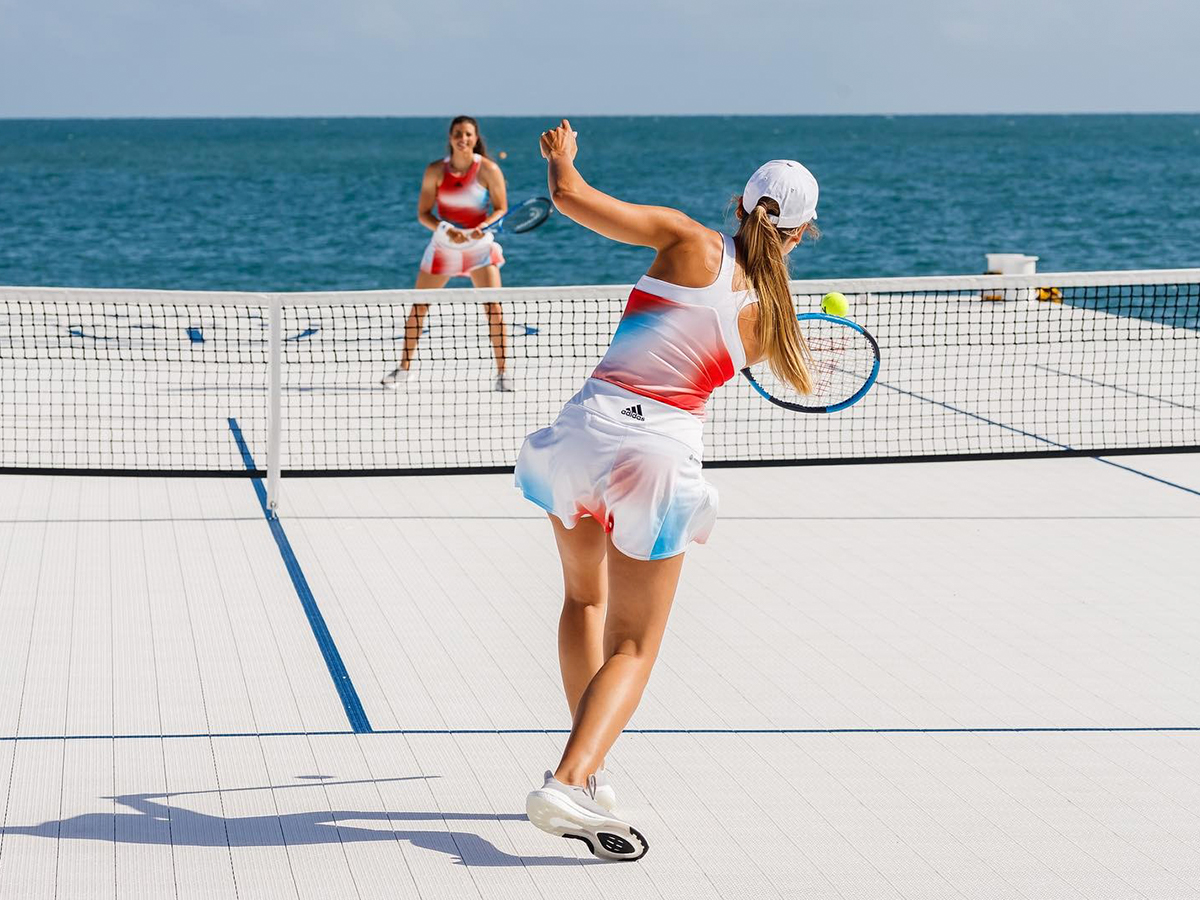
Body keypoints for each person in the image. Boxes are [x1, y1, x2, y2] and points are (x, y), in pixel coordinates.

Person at [516, 119, 820, 861]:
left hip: (585, 430)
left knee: (583, 602)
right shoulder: (775, 322)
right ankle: (568, 779)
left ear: (741, 204)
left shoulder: (687, 241)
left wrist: (563, 159)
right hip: (657, 455)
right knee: (633, 642)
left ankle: (585, 777)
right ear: (803, 233)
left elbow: (570, 197)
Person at [382, 115, 514, 392]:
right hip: (444, 246)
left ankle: (503, 374)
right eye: (457, 133)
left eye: (468, 134)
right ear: (450, 137)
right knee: (419, 307)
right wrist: (446, 228)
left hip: (478, 247)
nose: (462, 138)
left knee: (494, 310)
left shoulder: (488, 169)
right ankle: (404, 368)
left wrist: (482, 227)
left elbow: (501, 208)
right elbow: (423, 214)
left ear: (475, 138)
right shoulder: (435, 171)